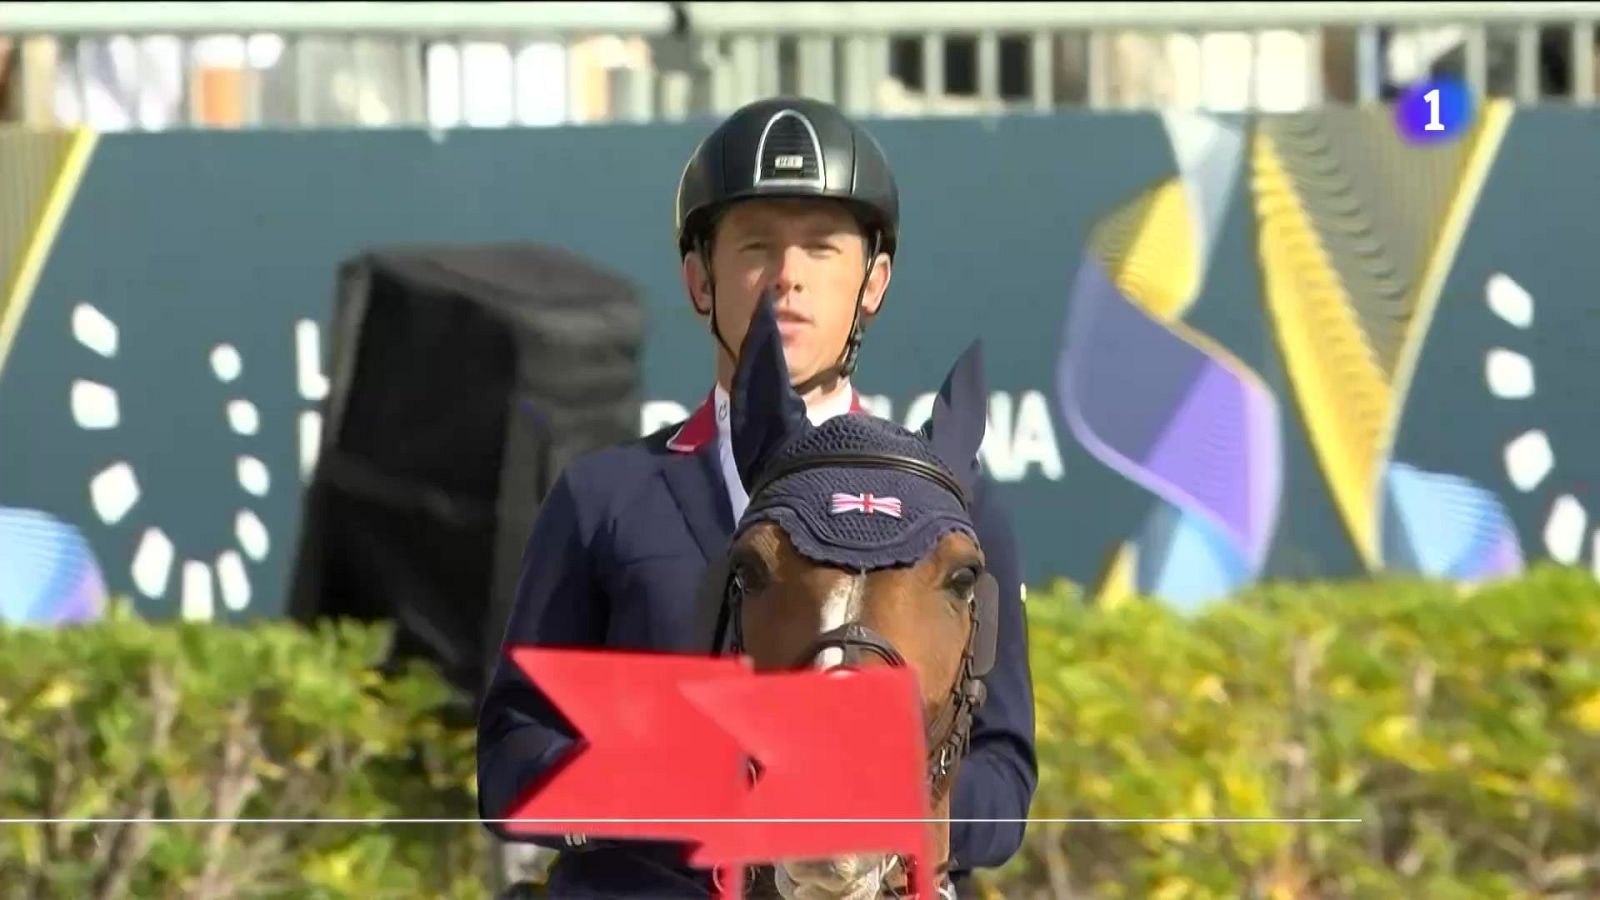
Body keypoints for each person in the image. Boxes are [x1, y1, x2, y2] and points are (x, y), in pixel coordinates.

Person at [477, 95, 1037, 898]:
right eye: (756, 247)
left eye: (822, 248)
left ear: (874, 282)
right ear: (699, 278)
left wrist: (894, 800)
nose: (787, 276)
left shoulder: (957, 511)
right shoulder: (603, 498)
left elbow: (1006, 782)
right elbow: (507, 765)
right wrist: (683, 779)